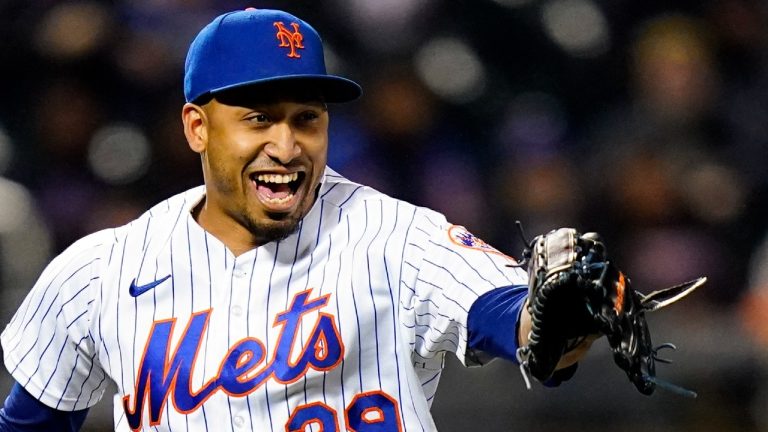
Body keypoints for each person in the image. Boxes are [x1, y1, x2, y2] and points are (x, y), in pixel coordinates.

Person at [0, 8, 594, 431]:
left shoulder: (396, 237)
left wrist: (564, 320)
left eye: (306, 118)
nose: (287, 147)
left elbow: (520, 324)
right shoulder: (100, 271)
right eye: (259, 118)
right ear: (197, 128)